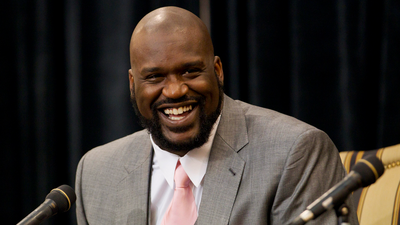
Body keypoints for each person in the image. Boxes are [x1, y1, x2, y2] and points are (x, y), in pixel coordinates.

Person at [75, 6, 359, 225]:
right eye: (155, 77)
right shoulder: (97, 174)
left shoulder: (295, 154)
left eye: (190, 71)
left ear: (218, 71)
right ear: (133, 84)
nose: (174, 90)